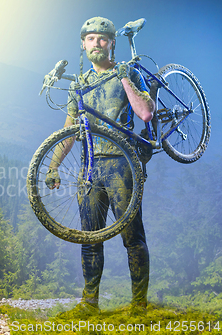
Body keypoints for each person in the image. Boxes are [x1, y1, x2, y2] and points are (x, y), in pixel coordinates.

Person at [45, 17, 155, 315]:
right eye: (91, 39)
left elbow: (145, 113)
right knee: (89, 237)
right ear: (84, 44)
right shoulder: (79, 86)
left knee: (132, 237)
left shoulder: (128, 72)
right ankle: (89, 303)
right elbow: (68, 130)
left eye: (102, 38)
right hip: (90, 168)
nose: (97, 43)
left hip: (122, 165)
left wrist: (123, 78)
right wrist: (53, 165)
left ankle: (139, 305)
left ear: (111, 43)